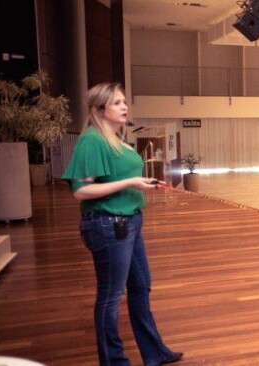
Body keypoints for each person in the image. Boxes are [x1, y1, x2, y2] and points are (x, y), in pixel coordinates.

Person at [62, 83, 183, 366]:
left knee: (140, 287)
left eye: (124, 102)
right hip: (107, 225)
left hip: (129, 221)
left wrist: (143, 183)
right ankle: (113, 361)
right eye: (117, 103)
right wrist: (130, 182)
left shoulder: (115, 138)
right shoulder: (93, 140)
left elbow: (117, 177)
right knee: (111, 296)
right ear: (99, 109)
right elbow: (81, 190)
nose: (124, 106)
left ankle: (154, 352)